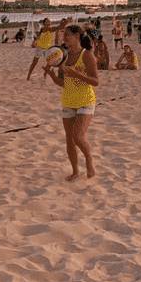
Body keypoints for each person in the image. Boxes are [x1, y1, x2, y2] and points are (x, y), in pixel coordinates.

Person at [43, 25, 99, 181]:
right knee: (69, 139)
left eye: (67, 35)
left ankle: (88, 159)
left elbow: (96, 81)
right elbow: (63, 83)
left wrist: (77, 74)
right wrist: (52, 75)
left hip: (85, 101)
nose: (64, 38)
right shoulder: (63, 56)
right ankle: (75, 170)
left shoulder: (87, 55)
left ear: (76, 36)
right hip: (68, 101)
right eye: (63, 35)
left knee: (78, 137)